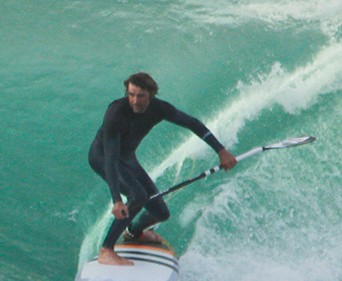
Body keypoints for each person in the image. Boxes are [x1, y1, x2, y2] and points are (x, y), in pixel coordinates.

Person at [89, 72, 236, 266]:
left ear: (151, 94)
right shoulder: (116, 113)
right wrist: (117, 200)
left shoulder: (159, 108)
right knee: (138, 196)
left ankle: (133, 233)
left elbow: (193, 123)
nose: (134, 100)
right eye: (130, 94)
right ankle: (106, 250)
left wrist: (221, 151)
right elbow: (111, 159)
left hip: (127, 158)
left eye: (140, 96)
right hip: (103, 157)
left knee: (160, 213)